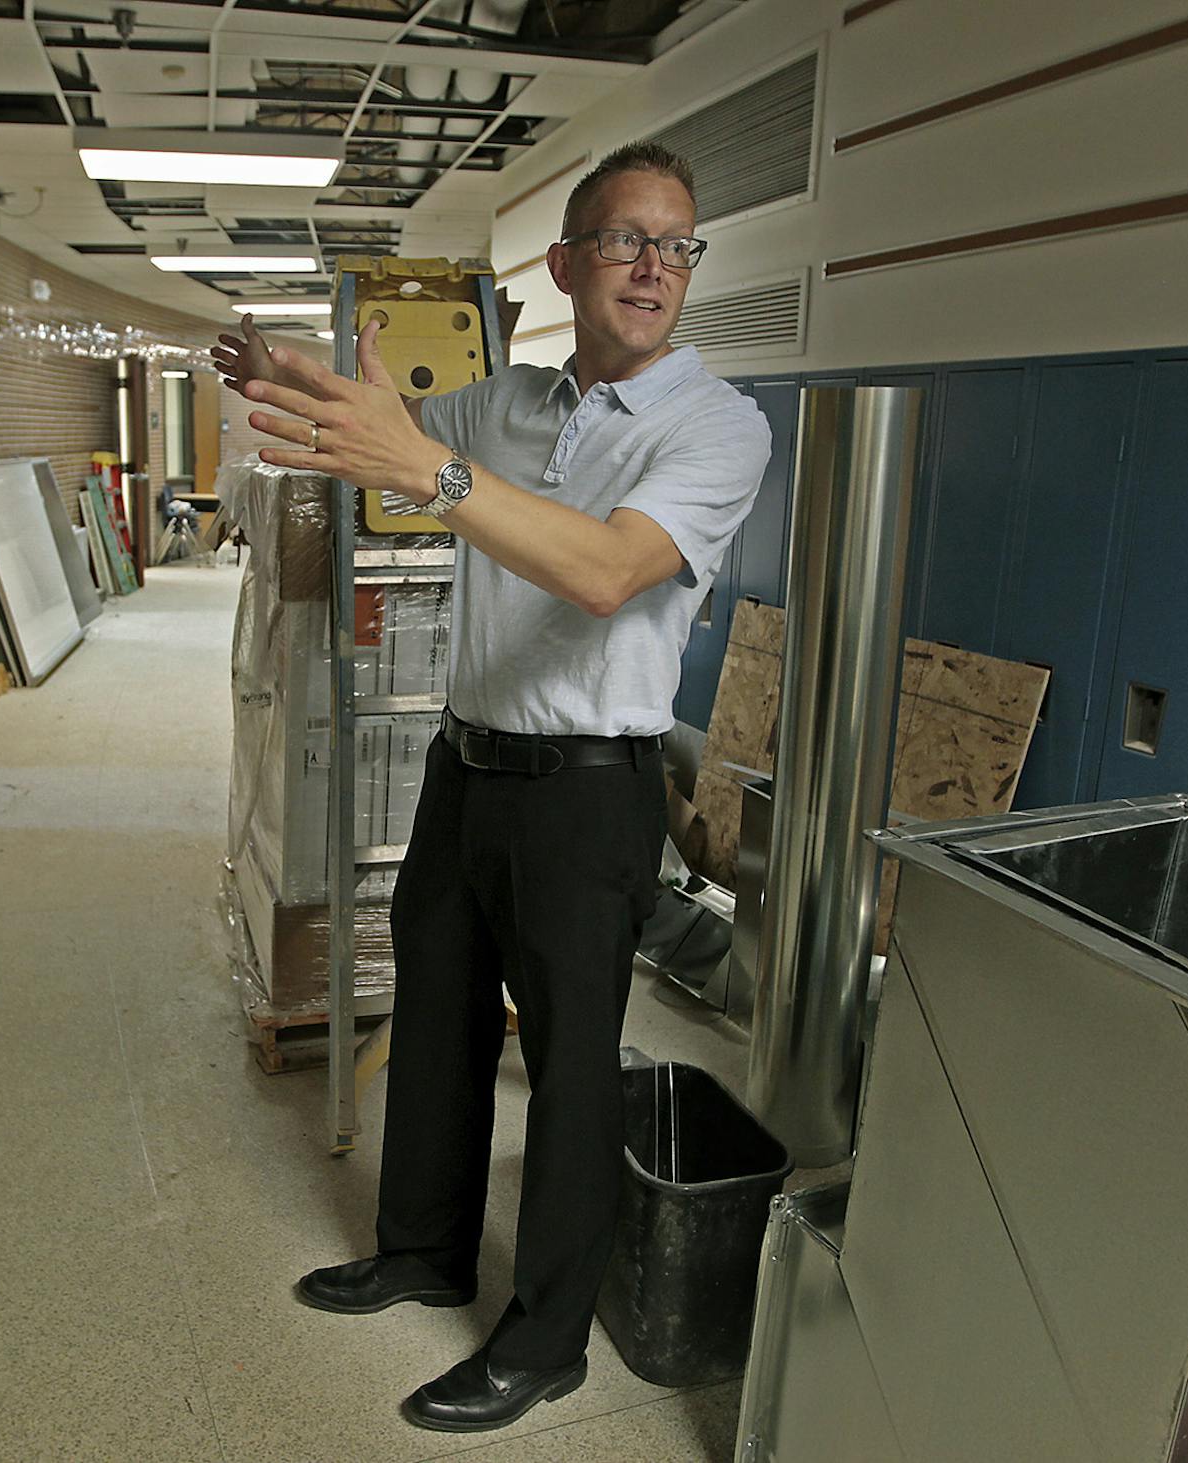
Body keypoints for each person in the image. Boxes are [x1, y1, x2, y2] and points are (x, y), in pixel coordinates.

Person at [212, 141, 770, 1434]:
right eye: (625, 240)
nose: (653, 266)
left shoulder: (715, 426)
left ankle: (545, 1340)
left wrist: (435, 478)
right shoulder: (506, 399)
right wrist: (287, 372)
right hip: (467, 766)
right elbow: (392, 440)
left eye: (677, 244)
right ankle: (423, 1249)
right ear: (566, 264)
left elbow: (607, 572)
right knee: (445, 1009)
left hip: (590, 794)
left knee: (574, 1065)